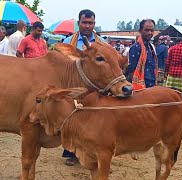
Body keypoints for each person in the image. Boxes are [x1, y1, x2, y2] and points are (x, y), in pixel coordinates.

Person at [62, 9, 104, 166]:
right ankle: (72, 153)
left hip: (93, 88)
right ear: (78, 23)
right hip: (72, 87)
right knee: (73, 118)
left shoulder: (101, 43)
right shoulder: (67, 43)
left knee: (92, 120)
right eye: (84, 22)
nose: (87, 25)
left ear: (94, 23)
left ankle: (91, 153)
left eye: (91, 23)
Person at [127, 19, 158, 90]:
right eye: (146, 30)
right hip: (140, 88)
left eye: (152, 30)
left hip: (152, 85)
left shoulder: (151, 47)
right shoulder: (136, 48)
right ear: (140, 31)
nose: (149, 33)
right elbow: (132, 71)